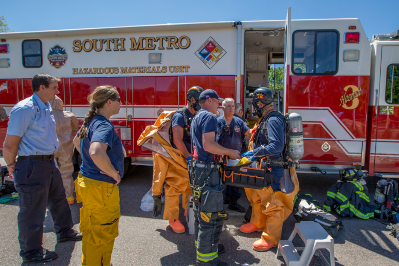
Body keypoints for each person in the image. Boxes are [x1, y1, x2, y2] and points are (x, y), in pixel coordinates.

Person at [3, 74, 82, 263]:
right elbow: (10, 143)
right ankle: (31, 252)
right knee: (33, 209)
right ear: (41, 87)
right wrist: (11, 165)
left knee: (59, 199)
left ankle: (64, 231)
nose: (57, 91)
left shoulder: (46, 106)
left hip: (48, 162)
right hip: (31, 164)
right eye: (54, 87)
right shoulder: (25, 109)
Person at [239, 87, 299, 252]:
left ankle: (271, 238)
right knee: (258, 197)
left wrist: (253, 153)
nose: (253, 107)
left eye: (254, 103)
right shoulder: (266, 118)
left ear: (260, 102)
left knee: (272, 202)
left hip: (273, 167)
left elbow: (276, 146)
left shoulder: (273, 120)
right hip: (263, 165)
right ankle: (257, 223)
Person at [73, 85, 123, 266]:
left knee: (91, 232)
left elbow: (76, 141)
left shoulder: (91, 121)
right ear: (109, 102)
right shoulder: (103, 124)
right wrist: (114, 174)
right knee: (102, 236)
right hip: (101, 188)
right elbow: (95, 152)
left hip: (88, 183)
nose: (121, 103)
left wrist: (90, 163)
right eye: (118, 100)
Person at [190, 89, 240, 266]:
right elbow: (208, 145)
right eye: (217, 101)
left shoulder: (197, 116)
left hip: (198, 170)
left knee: (200, 214)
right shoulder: (210, 117)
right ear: (209, 100)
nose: (219, 104)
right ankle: (207, 260)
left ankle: (204, 247)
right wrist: (229, 152)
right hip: (208, 171)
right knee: (209, 217)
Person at [152, 86, 203, 233]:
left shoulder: (195, 115)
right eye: (199, 101)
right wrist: (188, 157)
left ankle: (188, 211)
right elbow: (178, 140)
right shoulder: (180, 116)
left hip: (190, 156)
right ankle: (172, 218)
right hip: (178, 157)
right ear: (192, 100)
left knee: (189, 185)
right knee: (174, 187)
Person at [217, 98, 251, 213]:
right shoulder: (218, 121)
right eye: (228, 106)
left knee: (235, 180)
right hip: (221, 156)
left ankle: (233, 202)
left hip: (235, 157)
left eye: (232, 106)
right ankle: (220, 204)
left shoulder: (239, 122)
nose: (231, 108)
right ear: (223, 108)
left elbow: (248, 133)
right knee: (219, 181)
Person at [50, 96, 79, 204]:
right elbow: (75, 128)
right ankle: (69, 197)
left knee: (49, 172)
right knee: (66, 172)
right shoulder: (69, 115)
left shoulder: (44, 115)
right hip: (65, 147)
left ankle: (52, 197)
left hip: (49, 148)